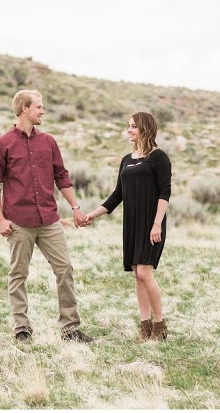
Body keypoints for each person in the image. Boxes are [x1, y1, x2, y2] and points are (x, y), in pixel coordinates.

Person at [0, 89, 93, 344]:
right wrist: (0, 219)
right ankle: (21, 328)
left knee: (64, 269)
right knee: (18, 274)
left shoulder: (49, 142)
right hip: (19, 222)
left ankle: (70, 329)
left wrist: (75, 208)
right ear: (25, 108)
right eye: (39, 107)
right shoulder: (1, 144)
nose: (43, 111)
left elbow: (62, 177)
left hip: (49, 220)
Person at [82, 112, 171, 341]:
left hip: (151, 222)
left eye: (133, 126)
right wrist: (94, 214)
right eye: (128, 126)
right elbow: (117, 194)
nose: (129, 130)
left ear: (145, 128)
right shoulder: (127, 159)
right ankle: (145, 325)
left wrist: (157, 224)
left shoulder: (159, 157)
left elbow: (164, 193)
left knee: (144, 272)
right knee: (136, 274)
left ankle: (160, 325)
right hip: (131, 222)